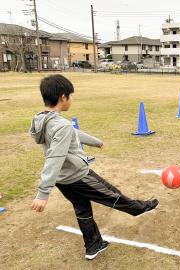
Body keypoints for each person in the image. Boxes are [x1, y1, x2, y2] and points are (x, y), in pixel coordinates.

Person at [29, 74, 159, 260]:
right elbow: (55, 157)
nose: (71, 99)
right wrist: (43, 193)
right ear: (63, 97)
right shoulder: (61, 125)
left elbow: (72, 133)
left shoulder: (43, 120)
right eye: (70, 96)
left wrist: (95, 142)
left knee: (82, 209)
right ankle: (138, 209)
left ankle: (93, 245)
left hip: (63, 181)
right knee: (111, 194)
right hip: (78, 176)